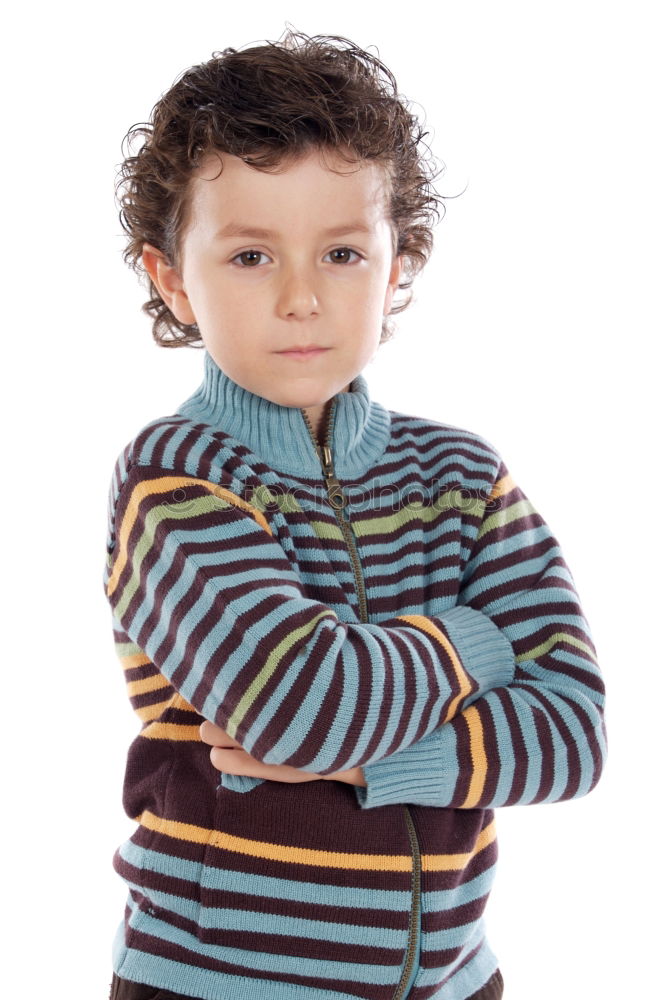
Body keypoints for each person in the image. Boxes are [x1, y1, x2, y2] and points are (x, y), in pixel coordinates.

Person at [102, 28, 606, 1000]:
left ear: (397, 263)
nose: (301, 298)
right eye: (250, 255)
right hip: (219, 978)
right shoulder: (178, 477)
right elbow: (302, 708)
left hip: (458, 980)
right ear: (171, 276)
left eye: (340, 251)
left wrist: (384, 763)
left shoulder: (462, 475)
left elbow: (574, 731)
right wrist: (474, 642)